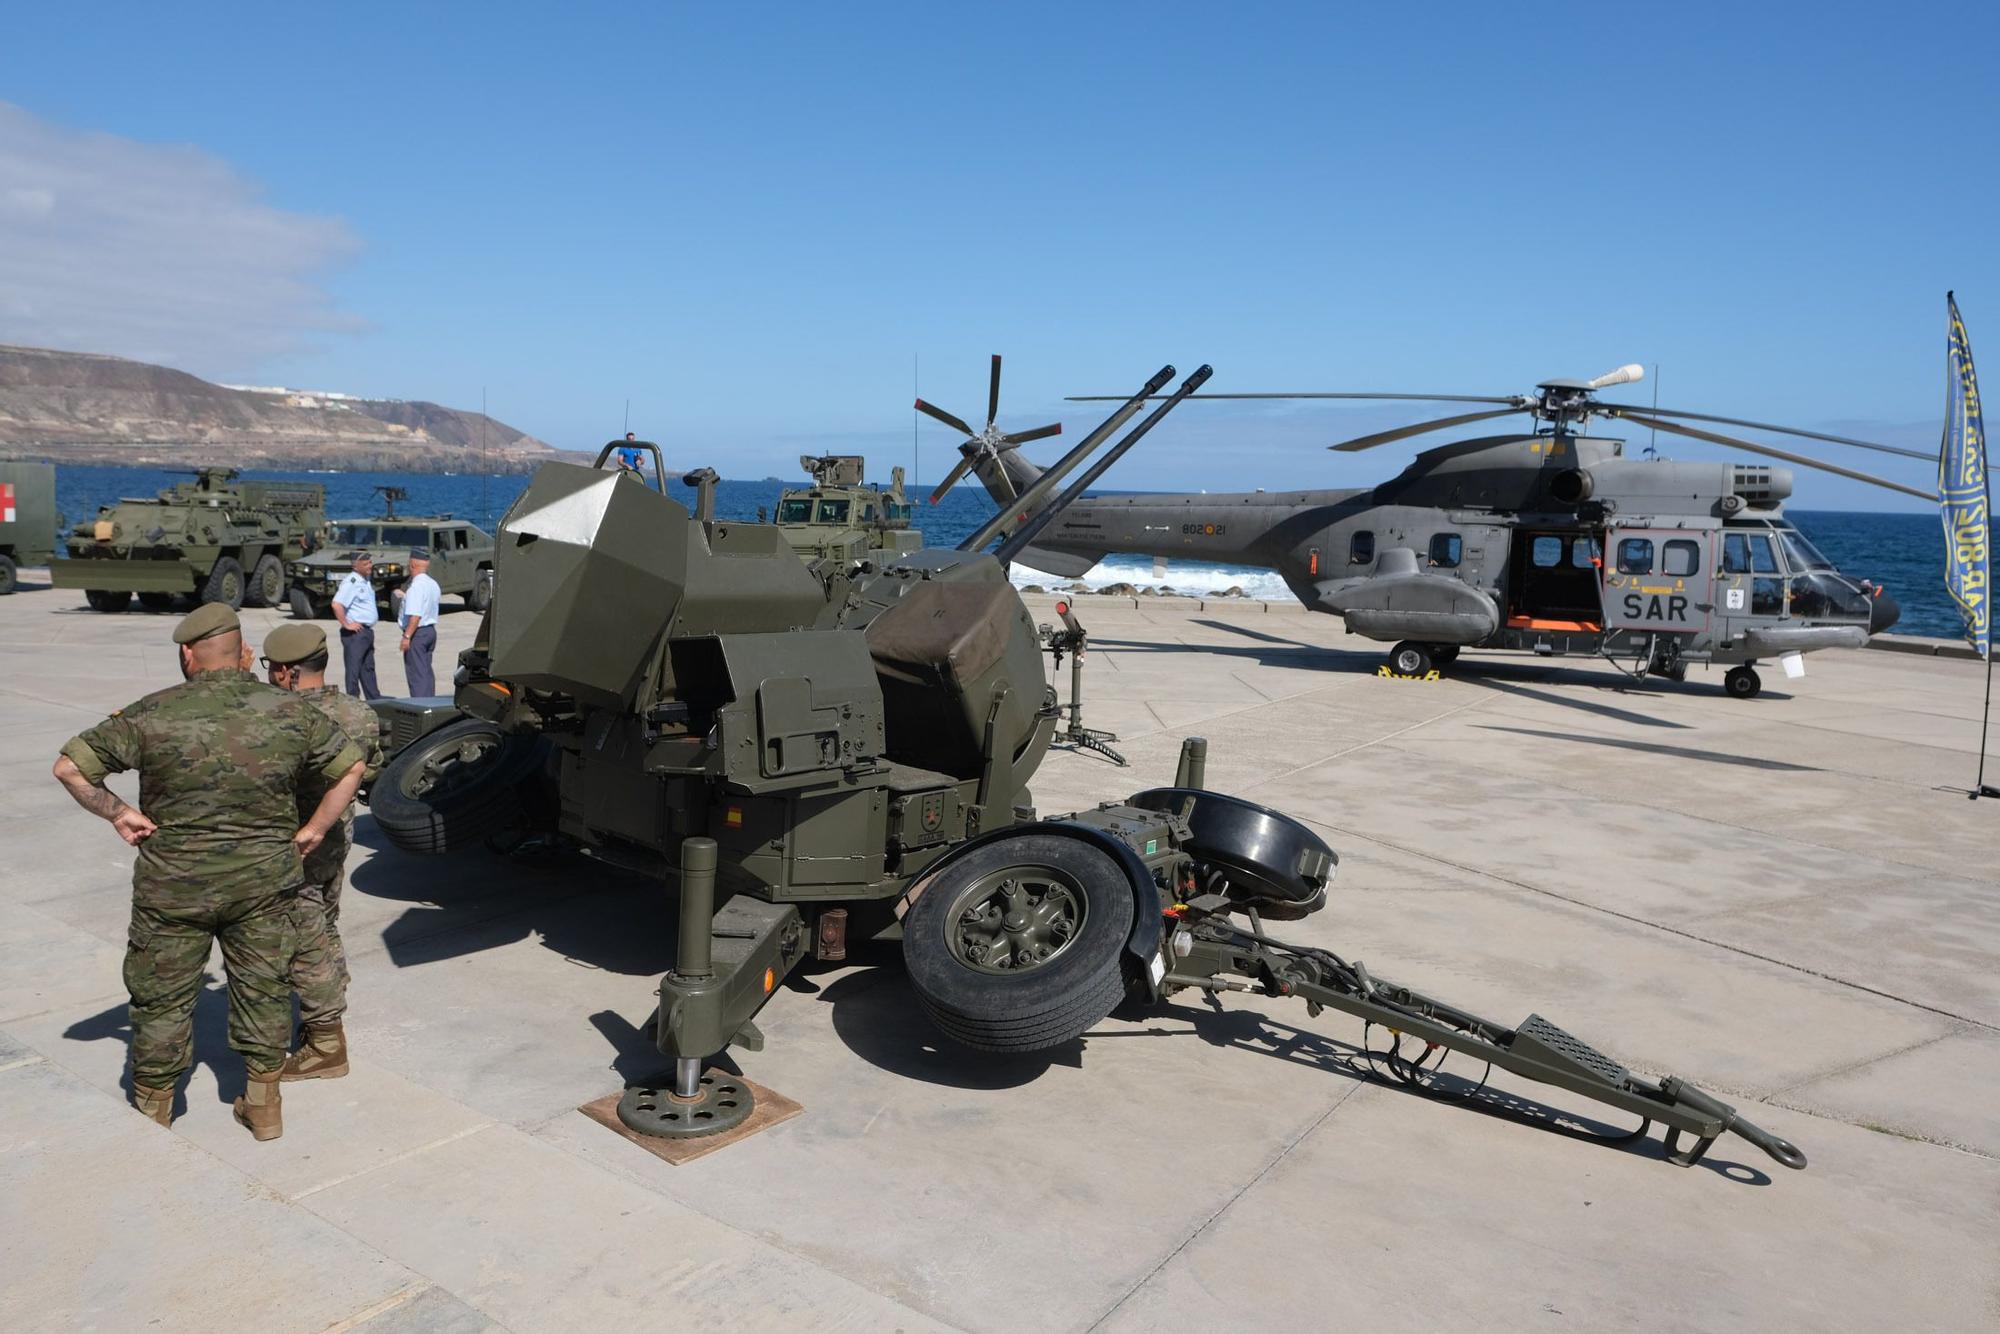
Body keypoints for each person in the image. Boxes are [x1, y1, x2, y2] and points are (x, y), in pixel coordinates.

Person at [50, 603, 364, 1141]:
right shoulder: (288, 709)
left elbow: (70, 768)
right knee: (263, 989)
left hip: (173, 887)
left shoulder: (153, 711)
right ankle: (263, 1109)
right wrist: (313, 829)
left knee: (162, 996)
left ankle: (155, 1108)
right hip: (265, 884)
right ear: (241, 651)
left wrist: (119, 813)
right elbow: (351, 765)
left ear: (186, 653)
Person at [261, 623, 384, 1082]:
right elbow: (369, 768)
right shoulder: (357, 711)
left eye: (271, 668)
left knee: (302, 937)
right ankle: (331, 992)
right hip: (336, 836)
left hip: (296, 839)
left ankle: (325, 1042)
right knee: (324, 922)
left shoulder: (279, 718)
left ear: (287, 672)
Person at [331, 551, 381, 700]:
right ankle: (353, 700)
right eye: (365, 564)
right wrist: (346, 624)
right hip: (355, 634)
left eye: (370, 562)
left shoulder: (365, 580)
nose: (369, 566)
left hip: (366, 632)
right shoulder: (351, 582)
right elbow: (336, 604)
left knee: (368, 669)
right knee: (353, 670)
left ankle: (374, 700)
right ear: (355, 566)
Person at [400, 548, 442, 695]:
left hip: (417, 633)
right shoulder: (433, 584)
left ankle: (420, 705)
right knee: (425, 671)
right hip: (430, 631)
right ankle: (429, 702)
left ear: (412, 564)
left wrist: (407, 637)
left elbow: (415, 616)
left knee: (417, 674)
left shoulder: (416, 587)